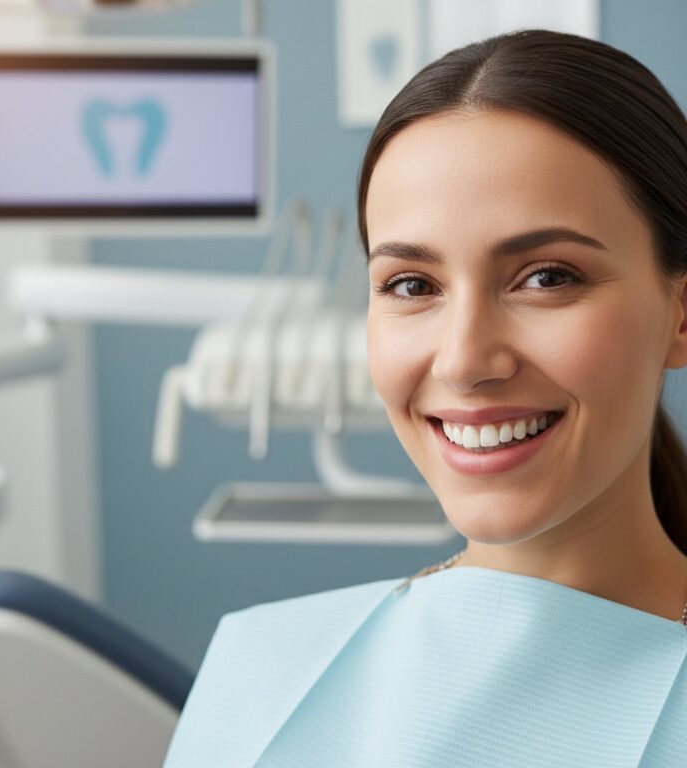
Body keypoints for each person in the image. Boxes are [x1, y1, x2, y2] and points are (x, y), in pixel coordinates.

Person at [162, 29, 687, 767]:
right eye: (413, 286)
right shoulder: (260, 670)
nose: (466, 360)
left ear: (681, 314)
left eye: (547, 277)